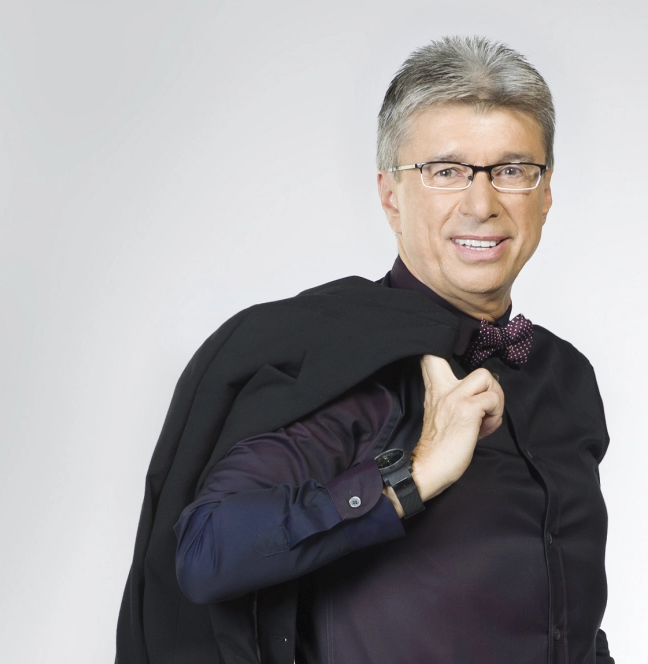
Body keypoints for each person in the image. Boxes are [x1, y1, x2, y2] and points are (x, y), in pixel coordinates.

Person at [120, 36, 614, 663]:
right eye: (446, 171)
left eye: (512, 171)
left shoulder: (565, 376)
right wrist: (416, 472)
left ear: (544, 194)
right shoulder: (340, 364)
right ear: (390, 196)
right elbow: (205, 552)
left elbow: (565, 613)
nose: (482, 204)